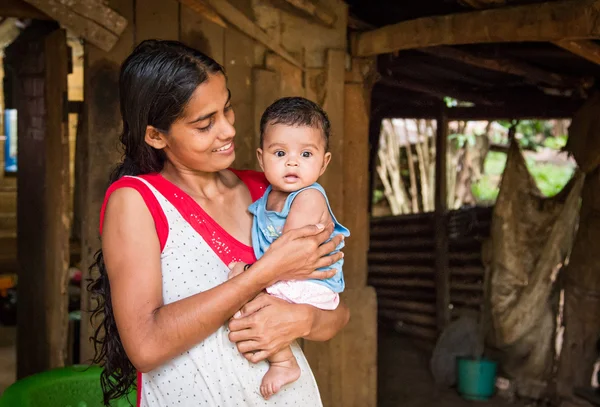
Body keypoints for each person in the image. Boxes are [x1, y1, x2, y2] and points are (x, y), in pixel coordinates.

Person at [88, 39, 349, 407]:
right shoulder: (137, 202)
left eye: (227, 110)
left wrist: (303, 320)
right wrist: (263, 272)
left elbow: (336, 311)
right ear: (155, 135)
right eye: (205, 124)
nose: (227, 130)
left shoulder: (271, 192)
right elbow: (145, 346)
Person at [229, 97, 349, 399]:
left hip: (311, 283)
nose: (292, 162)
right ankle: (281, 359)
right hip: (292, 276)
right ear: (261, 158)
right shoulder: (268, 197)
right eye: (280, 153)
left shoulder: (308, 197)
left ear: (324, 162)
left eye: (306, 154)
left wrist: (250, 273)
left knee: (249, 296)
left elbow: (290, 250)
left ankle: (284, 362)